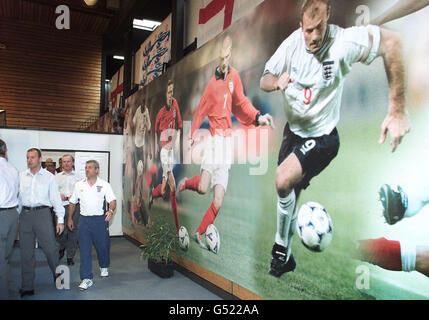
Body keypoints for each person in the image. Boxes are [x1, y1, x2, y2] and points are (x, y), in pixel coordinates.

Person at [259, 0, 410, 277]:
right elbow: (264, 79)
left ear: (328, 16)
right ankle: (286, 258)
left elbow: (392, 42)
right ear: (300, 25)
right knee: (290, 193)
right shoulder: (292, 44)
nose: (314, 37)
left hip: (323, 136)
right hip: (293, 133)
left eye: (319, 29)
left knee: (282, 180)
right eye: (308, 31)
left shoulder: (344, 42)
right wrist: (276, 82)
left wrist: (397, 109)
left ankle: (279, 248)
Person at [179, 36, 274, 249]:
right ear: (218, 57)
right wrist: (192, 134)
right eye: (224, 54)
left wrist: (258, 117)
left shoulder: (234, 77)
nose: (227, 58)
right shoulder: (211, 87)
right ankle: (186, 183)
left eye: (229, 53)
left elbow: (242, 103)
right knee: (203, 188)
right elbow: (199, 113)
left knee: (219, 200)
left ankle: (199, 233)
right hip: (214, 143)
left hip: (227, 146)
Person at [19, 148, 65, 297]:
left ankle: (59, 278)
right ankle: (27, 286)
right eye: (27, 157)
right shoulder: (21, 176)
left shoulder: (49, 177)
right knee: (26, 253)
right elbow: (18, 199)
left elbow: (56, 200)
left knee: (51, 249)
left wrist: (60, 220)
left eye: (32, 157)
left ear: (40, 159)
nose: (29, 160)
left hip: (43, 215)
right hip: (25, 215)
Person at [68, 160, 116, 291]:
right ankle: (86, 278)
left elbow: (112, 201)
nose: (87, 170)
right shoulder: (79, 185)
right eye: (86, 168)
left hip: (100, 221)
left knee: (103, 246)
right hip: (84, 221)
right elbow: (72, 202)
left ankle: (104, 265)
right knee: (84, 250)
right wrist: (70, 218)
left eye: (89, 168)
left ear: (97, 170)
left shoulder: (104, 184)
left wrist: (110, 211)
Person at [149, 80, 186, 237]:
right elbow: (155, 130)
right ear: (165, 95)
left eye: (172, 92)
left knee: (164, 190)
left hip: (172, 150)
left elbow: (180, 125)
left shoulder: (176, 105)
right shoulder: (161, 113)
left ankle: (153, 193)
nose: (171, 95)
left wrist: (179, 144)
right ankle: (178, 228)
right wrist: (156, 146)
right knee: (172, 185)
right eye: (169, 92)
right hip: (164, 150)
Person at [0, 139, 20, 300]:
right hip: (12, 215)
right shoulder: (13, 169)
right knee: (4, 259)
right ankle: (12, 293)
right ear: (6, 152)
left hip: (1, 216)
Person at [56, 154, 82, 265]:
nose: (66, 163)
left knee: (73, 231)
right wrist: (59, 194)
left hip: (75, 207)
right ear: (61, 163)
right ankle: (61, 248)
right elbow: (52, 191)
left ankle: (70, 255)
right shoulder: (56, 176)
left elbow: (82, 191)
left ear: (73, 163)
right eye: (64, 161)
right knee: (61, 231)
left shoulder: (79, 176)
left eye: (68, 161)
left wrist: (75, 195)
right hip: (60, 206)